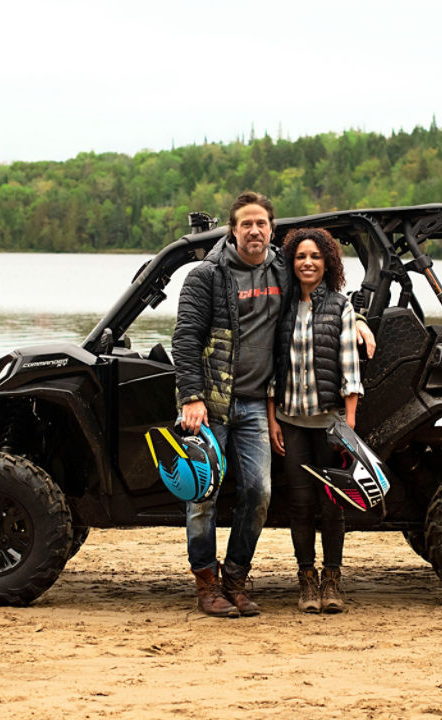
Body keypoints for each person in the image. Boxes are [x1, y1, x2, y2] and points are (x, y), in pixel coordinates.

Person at [172, 191, 286, 618]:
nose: (254, 231)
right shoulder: (207, 276)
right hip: (210, 405)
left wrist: (361, 323)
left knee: (259, 491)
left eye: (261, 224)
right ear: (233, 230)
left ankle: (235, 578)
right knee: (203, 495)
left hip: (257, 405)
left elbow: (324, 296)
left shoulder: (283, 271)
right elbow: (185, 339)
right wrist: (192, 397)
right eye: (246, 224)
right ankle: (206, 586)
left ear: (271, 229)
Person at [267, 227, 363, 614]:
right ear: (292, 263)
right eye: (301, 257)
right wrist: (273, 419)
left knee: (332, 504)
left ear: (328, 263)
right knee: (301, 502)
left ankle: (333, 579)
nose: (308, 263)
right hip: (291, 420)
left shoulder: (341, 306)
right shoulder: (282, 308)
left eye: (315, 257)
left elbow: (349, 368)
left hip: (330, 422)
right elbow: (273, 369)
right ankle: (306, 580)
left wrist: (349, 423)